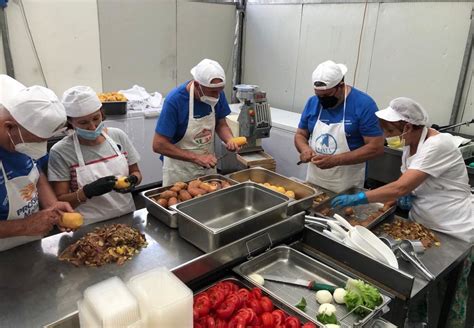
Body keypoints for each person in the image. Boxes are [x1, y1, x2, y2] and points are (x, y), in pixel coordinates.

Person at [331, 97, 473, 327]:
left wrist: (360, 197)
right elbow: (407, 183)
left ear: (407, 127)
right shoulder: (410, 145)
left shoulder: (438, 145)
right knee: (418, 287)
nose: (386, 136)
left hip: (454, 230)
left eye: (389, 130)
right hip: (423, 225)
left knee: (451, 295)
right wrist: (402, 197)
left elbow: (401, 186)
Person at [48, 86, 142, 224]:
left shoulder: (118, 136)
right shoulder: (61, 151)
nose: (92, 127)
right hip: (89, 225)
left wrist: (133, 180)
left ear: (101, 113)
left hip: (126, 216)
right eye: (83, 122)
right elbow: (60, 200)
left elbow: (136, 172)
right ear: (70, 122)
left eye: (96, 118)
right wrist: (87, 192)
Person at [0, 75, 73, 251]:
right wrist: (24, 225)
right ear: (8, 126)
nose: (38, 149)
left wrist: (52, 205)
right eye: (34, 142)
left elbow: (35, 175)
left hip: (29, 243)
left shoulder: (20, 140)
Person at [295, 60, 384, 193]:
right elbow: (300, 134)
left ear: (341, 85)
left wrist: (337, 160)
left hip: (347, 184)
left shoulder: (363, 104)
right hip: (315, 180)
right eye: (319, 95)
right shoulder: (312, 103)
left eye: (327, 95)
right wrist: (304, 149)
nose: (322, 100)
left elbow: (376, 147)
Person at [153, 58, 239, 186]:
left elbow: (221, 124)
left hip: (208, 167)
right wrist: (197, 158)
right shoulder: (175, 101)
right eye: (213, 92)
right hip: (180, 171)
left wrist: (230, 139)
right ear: (197, 85)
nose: (217, 96)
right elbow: (158, 145)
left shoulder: (217, 94)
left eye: (220, 91)